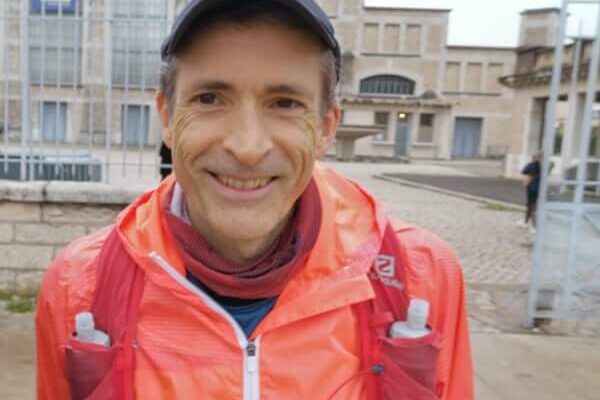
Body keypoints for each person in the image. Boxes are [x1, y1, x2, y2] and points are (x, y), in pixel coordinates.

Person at [35, 1, 473, 399]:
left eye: (285, 103)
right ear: (167, 117)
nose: (247, 147)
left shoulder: (421, 276)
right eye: (209, 99)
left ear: (326, 128)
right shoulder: (80, 286)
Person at [518, 151, 543, 233]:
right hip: (540, 188)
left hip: (531, 188)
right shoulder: (545, 166)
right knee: (531, 205)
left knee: (531, 206)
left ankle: (534, 226)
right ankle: (525, 222)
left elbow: (523, 171)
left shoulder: (532, 165)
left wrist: (533, 162)